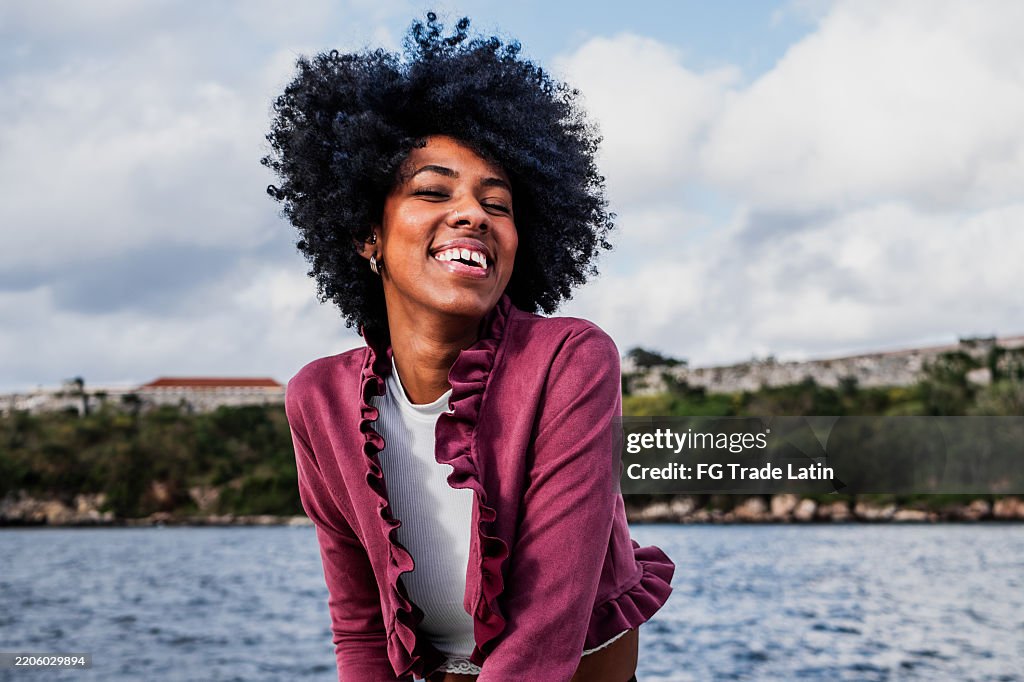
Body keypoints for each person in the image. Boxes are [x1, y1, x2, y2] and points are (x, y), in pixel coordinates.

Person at [263, 14, 674, 682]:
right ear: (369, 235)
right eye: (432, 190)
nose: (474, 214)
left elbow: (547, 625)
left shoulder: (571, 359)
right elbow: (361, 627)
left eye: (499, 203)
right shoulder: (319, 399)